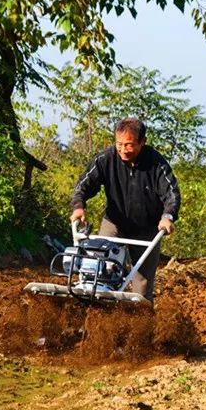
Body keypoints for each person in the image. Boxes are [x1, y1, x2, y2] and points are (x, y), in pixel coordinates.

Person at [70, 117, 181, 303]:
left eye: (129, 145)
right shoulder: (106, 159)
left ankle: (140, 326)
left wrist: (167, 216)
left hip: (146, 229)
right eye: (119, 144)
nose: (123, 150)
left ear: (142, 142)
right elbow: (83, 185)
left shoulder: (156, 164)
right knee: (99, 269)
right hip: (115, 222)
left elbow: (172, 193)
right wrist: (78, 206)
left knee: (142, 284)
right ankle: (96, 311)